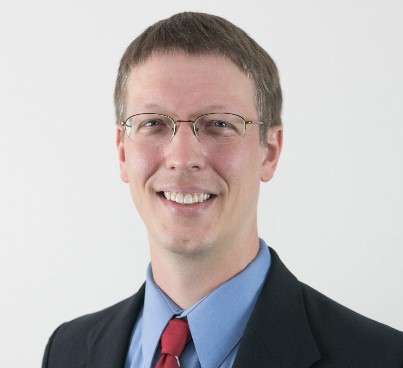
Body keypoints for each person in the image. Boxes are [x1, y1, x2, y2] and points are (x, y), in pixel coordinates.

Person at [42, 12, 403, 368]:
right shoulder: (67, 351)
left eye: (218, 124)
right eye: (153, 123)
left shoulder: (380, 358)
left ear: (270, 151)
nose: (182, 158)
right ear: (123, 151)